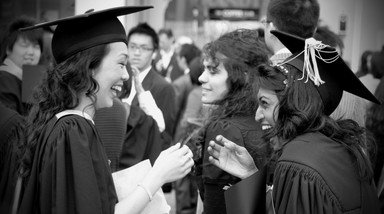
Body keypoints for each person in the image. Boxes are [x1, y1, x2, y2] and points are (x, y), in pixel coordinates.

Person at [17, 6, 194, 214]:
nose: (126, 75)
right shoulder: (74, 129)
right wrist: (158, 176)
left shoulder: (65, 124)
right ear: (89, 67)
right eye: (121, 63)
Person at [207, 30, 381, 213]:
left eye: (265, 103)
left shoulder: (296, 164)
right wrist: (250, 175)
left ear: (292, 104)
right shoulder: (345, 148)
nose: (257, 115)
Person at [194, 28, 270, 214]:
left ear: (242, 75)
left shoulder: (224, 129)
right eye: (204, 69)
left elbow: (215, 205)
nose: (201, 78)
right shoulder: (264, 116)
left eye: (213, 71)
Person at [0, 16, 43, 115]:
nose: (31, 52)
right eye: (24, 45)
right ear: (8, 49)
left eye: (36, 46)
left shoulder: (32, 78)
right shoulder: (4, 79)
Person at [263, 0, 320, 65]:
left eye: (264, 23)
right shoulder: (324, 70)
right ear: (315, 30)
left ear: (272, 27)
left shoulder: (261, 72)